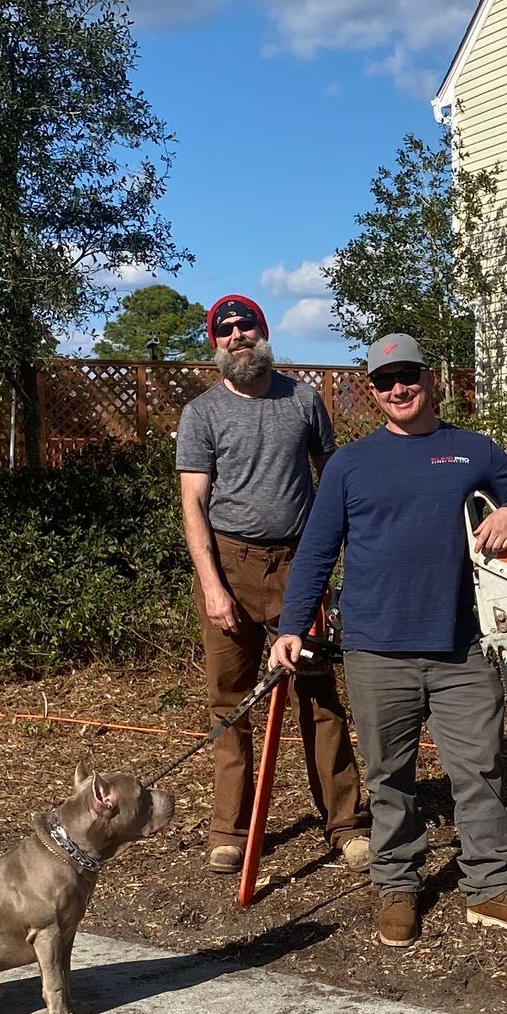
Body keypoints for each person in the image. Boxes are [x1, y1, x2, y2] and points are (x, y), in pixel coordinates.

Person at [271, 332, 507, 948]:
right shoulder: (351, 463)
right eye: (384, 381)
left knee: (479, 771)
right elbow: (318, 550)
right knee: (389, 776)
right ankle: (398, 887)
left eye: (408, 376)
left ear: (429, 380)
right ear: (372, 392)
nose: (398, 389)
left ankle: (491, 890)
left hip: (462, 646)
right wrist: (292, 626)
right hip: (376, 649)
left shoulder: (471, 449)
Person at [175, 292, 369, 877]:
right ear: (214, 342)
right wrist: (212, 586)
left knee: (317, 695)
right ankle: (229, 830)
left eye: (247, 325)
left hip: (298, 567)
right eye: (225, 328)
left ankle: (346, 824)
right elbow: (193, 505)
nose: (238, 335)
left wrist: (331, 575)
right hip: (229, 565)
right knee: (230, 703)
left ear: (263, 333)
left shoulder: (304, 400)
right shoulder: (201, 413)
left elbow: (332, 483)